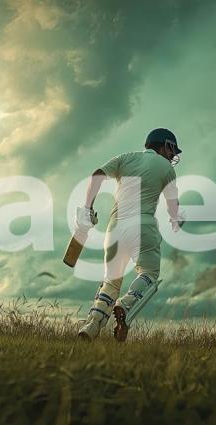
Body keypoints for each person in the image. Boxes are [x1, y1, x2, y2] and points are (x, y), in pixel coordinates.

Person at [75, 128, 184, 342]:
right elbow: (173, 209)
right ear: (166, 145)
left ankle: (91, 326)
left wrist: (87, 209)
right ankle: (125, 305)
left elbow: (97, 176)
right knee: (149, 274)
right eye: (173, 150)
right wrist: (177, 219)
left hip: (114, 228)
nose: (173, 156)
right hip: (142, 225)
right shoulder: (166, 169)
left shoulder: (125, 158)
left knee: (111, 281)